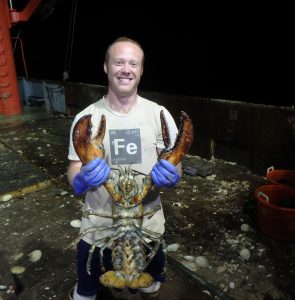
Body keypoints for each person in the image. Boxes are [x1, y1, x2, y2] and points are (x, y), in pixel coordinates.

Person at [67, 36, 182, 300]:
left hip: (149, 227)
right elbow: (74, 170)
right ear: (106, 67)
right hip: (98, 228)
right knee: (85, 294)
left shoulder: (159, 115)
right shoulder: (86, 118)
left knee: (151, 287)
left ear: (141, 70)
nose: (126, 69)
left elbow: (178, 167)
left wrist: (172, 175)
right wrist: (81, 179)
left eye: (134, 63)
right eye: (119, 62)